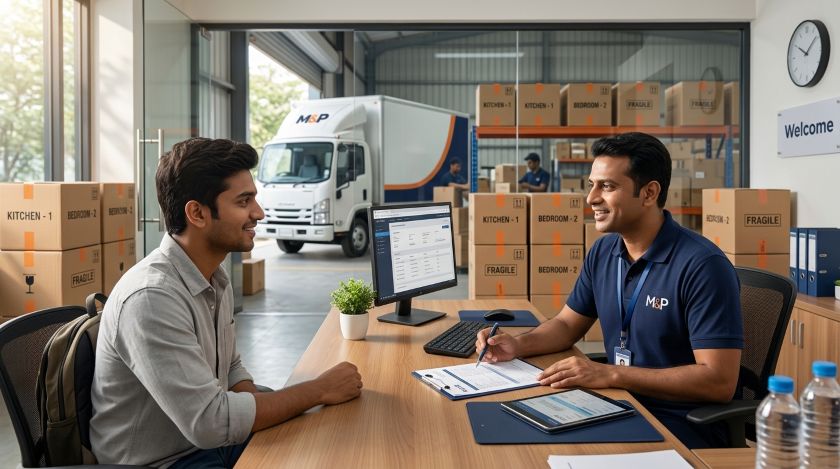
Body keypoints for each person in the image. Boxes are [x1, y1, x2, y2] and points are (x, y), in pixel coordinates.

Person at [90, 138, 363, 468]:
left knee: (327, 444)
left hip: (203, 445)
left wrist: (278, 403)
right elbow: (211, 423)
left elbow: (232, 372)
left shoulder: (213, 277)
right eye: (244, 201)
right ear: (197, 213)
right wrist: (318, 390)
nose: (258, 213)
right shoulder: (151, 297)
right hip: (165, 460)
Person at [476, 132, 743, 449]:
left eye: (607, 186)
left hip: (678, 423)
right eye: (592, 184)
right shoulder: (604, 252)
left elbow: (719, 382)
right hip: (616, 404)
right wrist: (517, 346)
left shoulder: (702, 266)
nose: (591, 198)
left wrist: (611, 374)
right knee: (509, 430)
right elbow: (565, 325)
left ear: (648, 193)